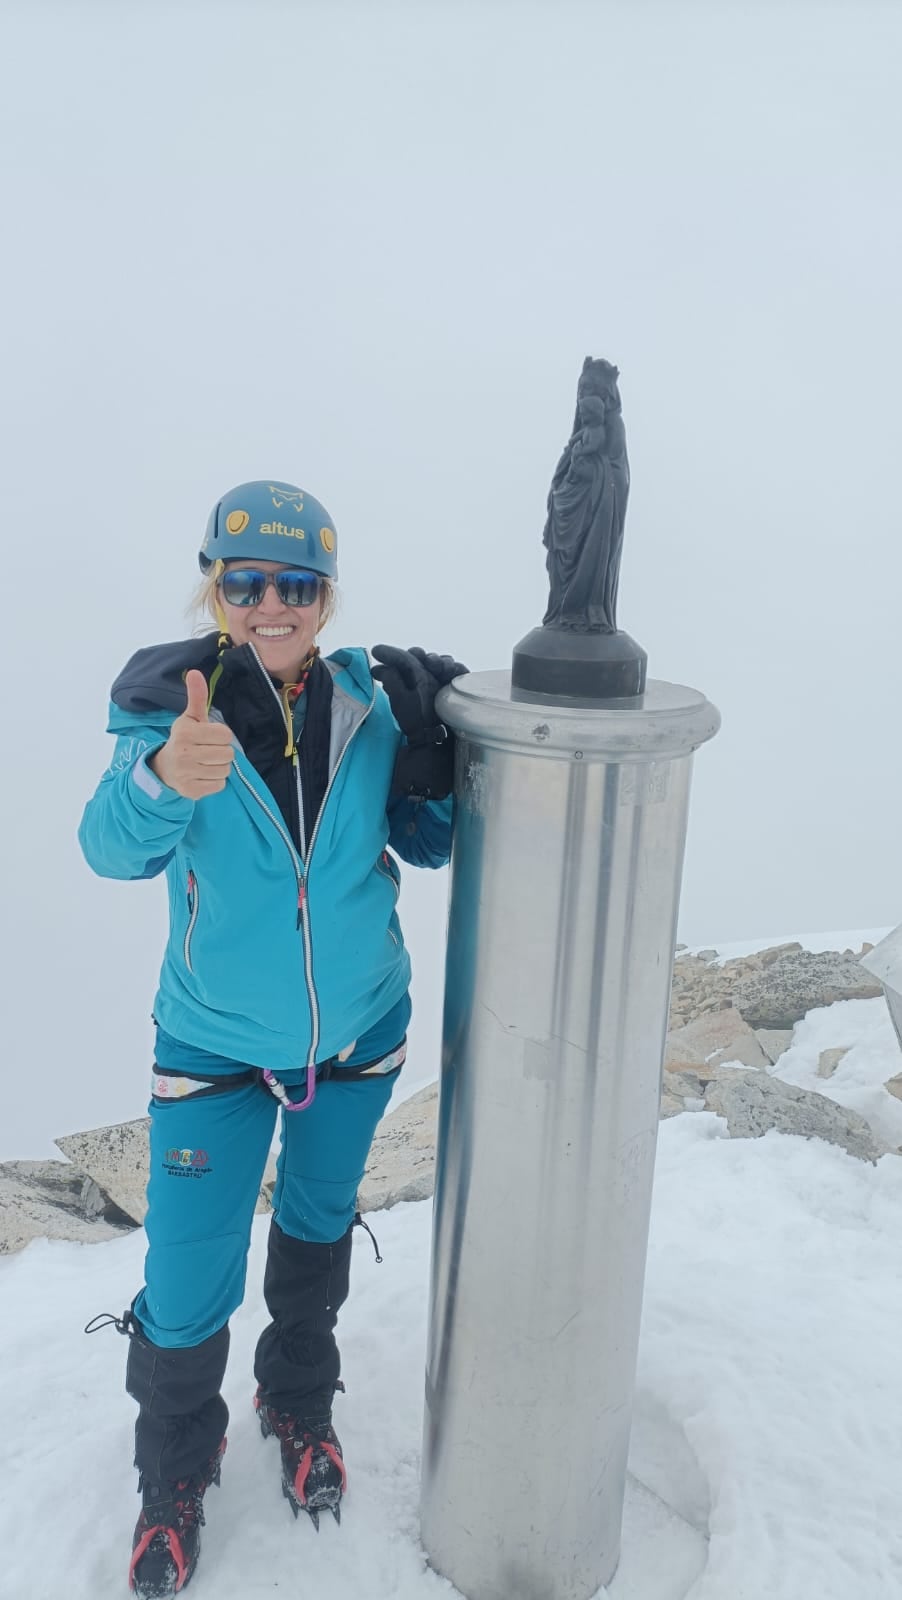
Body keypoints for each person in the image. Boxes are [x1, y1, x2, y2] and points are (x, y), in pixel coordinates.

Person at [78, 479, 466, 1599]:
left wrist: (440, 762)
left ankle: (296, 1402)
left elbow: (426, 844)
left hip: (353, 1034)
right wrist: (162, 780)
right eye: (245, 583)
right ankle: (174, 1471)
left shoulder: (366, 707)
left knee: (311, 1230)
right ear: (216, 588)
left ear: (325, 596)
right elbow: (110, 848)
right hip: (210, 1047)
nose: (271, 604)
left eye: (295, 584)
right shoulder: (169, 707)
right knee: (189, 1273)